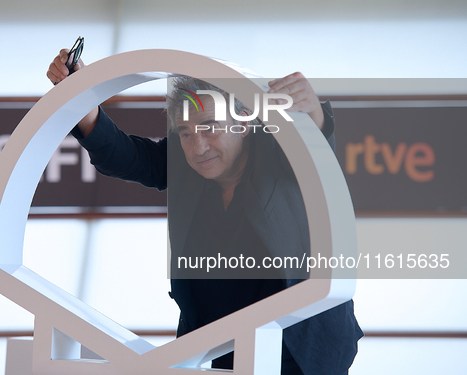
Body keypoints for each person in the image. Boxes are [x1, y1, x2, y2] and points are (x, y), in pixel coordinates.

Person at [47, 49, 363, 374]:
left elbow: (319, 151)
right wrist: (80, 96)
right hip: (222, 344)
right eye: (185, 133)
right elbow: (124, 155)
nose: (198, 148)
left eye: (210, 127)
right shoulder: (185, 164)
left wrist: (312, 114)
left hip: (303, 347)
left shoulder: (278, 153)